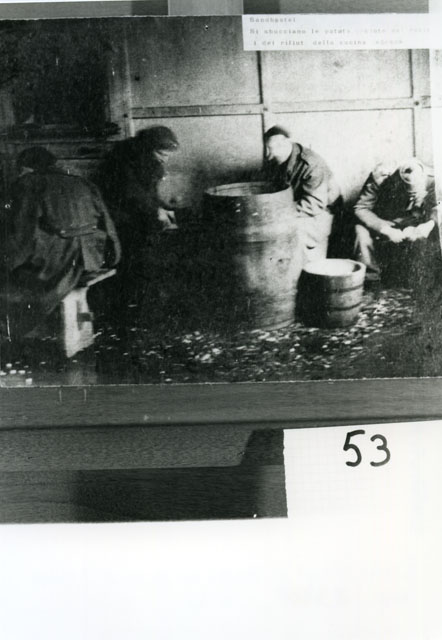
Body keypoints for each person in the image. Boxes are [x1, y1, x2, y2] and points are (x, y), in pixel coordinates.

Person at [0, 146, 121, 336]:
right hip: (91, 258)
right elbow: (108, 226)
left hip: (57, 261)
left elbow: (21, 235)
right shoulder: (83, 183)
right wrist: (112, 258)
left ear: (26, 168)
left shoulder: (29, 183)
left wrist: (6, 263)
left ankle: (18, 337)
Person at [97, 126, 181, 316]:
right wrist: (155, 211)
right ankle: (135, 307)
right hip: (120, 219)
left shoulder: (149, 161)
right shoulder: (124, 160)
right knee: (137, 260)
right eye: (161, 154)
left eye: (168, 155)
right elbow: (130, 194)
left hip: (137, 214)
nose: (165, 159)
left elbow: (149, 194)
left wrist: (164, 208)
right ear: (148, 147)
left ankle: (149, 301)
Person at [263, 126, 343, 262]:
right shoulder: (277, 160)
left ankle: (305, 270)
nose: (268, 155)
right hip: (297, 208)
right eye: (267, 149)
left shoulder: (311, 163)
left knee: (292, 232)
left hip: (322, 211)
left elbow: (315, 204)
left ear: (284, 144)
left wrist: (280, 211)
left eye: (271, 149)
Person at [353, 158, 439, 286]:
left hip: (417, 222)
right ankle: (371, 280)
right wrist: (384, 229)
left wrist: (429, 224)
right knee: (360, 231)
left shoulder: (434, 178)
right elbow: (361, 208)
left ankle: (426, 282)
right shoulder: (380, 176)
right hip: (386, 221)